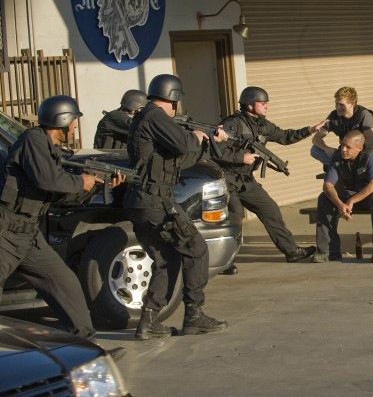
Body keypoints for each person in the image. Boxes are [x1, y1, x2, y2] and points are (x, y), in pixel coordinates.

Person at [0, 95, 123, 339]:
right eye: (74, 120)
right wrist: (80, 181)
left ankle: (84, 344)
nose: (75, 126)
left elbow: (58, 196)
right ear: (63, 120)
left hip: (28, 234)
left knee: (65, 284)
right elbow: (48, 180)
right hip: (6, 232)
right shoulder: (33, 140)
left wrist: (97, 186)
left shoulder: (49, 150)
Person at [124, 74, 228, 340]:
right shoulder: (156, 117)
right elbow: (184, 143)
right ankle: (194, 315)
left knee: (167, 259)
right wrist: (196, 135)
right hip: (155, 201)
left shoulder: (146, 118)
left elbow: (178, 160)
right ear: (173, 99)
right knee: (196, 249)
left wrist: (208, 141)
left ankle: (148, 323)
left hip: (143, 201)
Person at [213, 86, 327, 262]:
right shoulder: (232, 124)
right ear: (250, 105)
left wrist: (310, 130)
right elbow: (215, 151)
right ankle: (225, 260)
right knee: (234, 216)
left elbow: (285, 136)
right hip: (227, 179)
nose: (266, 106)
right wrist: (241, 158)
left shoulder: (263, 125)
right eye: (262, 103)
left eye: (266, 103)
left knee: (270, 209)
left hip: (246, 180)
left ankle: (291, 251)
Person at [313, 130, 373, 263]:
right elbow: (328, 186)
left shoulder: (371, 155)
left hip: (370, 195)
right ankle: (326, 251)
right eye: (343, 145)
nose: (343, 149)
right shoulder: (338, 156)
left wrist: (351, 201)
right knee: (324, 198)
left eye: (348, 147)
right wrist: (340, 204)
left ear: (359, 148)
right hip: (349, 194)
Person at [310, 86, 373, 167]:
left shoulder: (363, 114)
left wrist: (354, 153)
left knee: (371, 152)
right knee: (315, 150)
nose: (338, 107)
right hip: (346, 154)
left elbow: (371, 140)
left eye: (341, 105)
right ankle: (343, 167)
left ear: (352, 104)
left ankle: (346, 167)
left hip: (362, 152)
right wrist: (326, 148)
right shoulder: (334, 116)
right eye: (336, 104)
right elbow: (316, 138)